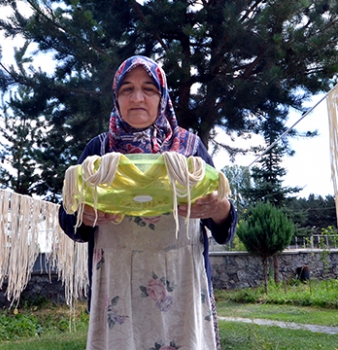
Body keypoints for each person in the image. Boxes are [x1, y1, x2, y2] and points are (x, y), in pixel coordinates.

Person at [58, 55, 237, 350]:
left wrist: (220, 210)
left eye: (149, 89)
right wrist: (83, 216)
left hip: (182, 280)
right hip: (117, 281)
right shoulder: (98, 151)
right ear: (116, 98)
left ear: (162, 97)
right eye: (127, 89)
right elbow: (70, 219)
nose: (137, 97)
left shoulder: (190, 150)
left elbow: (223, 228)